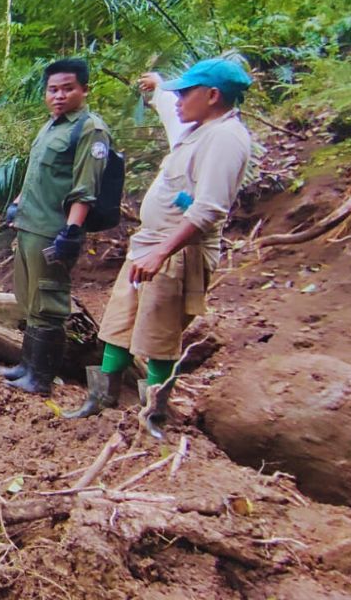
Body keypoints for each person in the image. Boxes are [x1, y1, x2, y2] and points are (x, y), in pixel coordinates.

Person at [62, 58, 252, 439]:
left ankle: (153, 416)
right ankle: (102, 399)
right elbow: (170, 110)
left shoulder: (226, 139)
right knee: (119, 324)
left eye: (185, 93)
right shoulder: (196, 127)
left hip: (176, 253)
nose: (177, 100)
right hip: (149, 245)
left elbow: (209, 208)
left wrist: (162, 252)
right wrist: (158, 86)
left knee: (159, 336)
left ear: (213, 96)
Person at [0, 58, 112, 394]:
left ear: (84, 90)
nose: (58, 96)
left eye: (67, 88)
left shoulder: (89, 129)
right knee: (30, 300)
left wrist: (72, 231)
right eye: (52, 89)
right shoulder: (51, 126)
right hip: (30, 225)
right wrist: (16, 203)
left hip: (53, 230)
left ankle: (41, 378)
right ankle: (25, 366)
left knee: (48, 302)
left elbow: (86, 188)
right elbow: (35, 174)